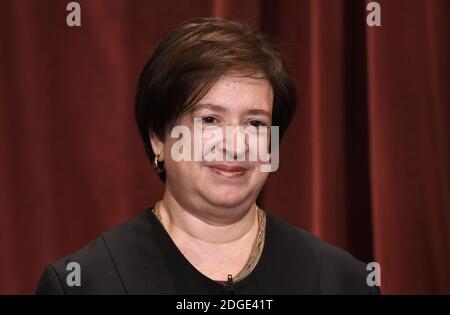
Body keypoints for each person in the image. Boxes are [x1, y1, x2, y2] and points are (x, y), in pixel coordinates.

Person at [36, 17, 379, 295]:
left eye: (256, 123)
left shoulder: (344, 281)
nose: (235, 144)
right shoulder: (83, 284)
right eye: (210, 119)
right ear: (158, 137)